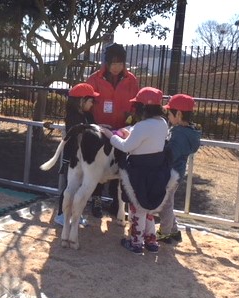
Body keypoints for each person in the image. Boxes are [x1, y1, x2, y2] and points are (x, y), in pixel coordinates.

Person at [102, 87, 170, 254]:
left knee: (137, 207)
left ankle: (136, 242)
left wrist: (112, 136)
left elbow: (126, 146)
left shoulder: (142, 126)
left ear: (142, 108)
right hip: (156, 170)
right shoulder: (163, 123)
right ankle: (151, 241)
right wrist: (131, 132)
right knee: (148, 207)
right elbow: (147, 138)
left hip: (139, 170)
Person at [86, 43, 139, 218]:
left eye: (120, 63)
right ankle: (97, 200)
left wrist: (130, 120)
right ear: (106, 63)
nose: (116, 67)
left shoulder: (131, 80)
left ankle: (117, 204)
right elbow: (87, 103)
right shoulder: (94, 79)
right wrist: (94, 125)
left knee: (121, 167)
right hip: (100, 131)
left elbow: (136, 104)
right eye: (113, 63)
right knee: (99, 167)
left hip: (122, 132)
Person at [157, 94, 201, 243]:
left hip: (171, 173)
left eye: (169, 113)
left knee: (165, 204)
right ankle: (174, 231)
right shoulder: (189, 132)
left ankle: (165, 233)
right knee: (168, 201)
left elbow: (170, 154)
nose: (168, 116)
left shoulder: (178, 134)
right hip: (178, 172)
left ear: (179, 114)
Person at [55, 83, 99, 226]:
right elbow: (79, 134)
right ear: (81, 100)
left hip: (84, 158)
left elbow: (93, 129)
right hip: (73, 156)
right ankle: (62, 214)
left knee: (80, 186)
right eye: (91, 100)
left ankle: (74, 213)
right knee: (70, 186)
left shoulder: (87, 115)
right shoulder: (73, 117)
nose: (92, 104)